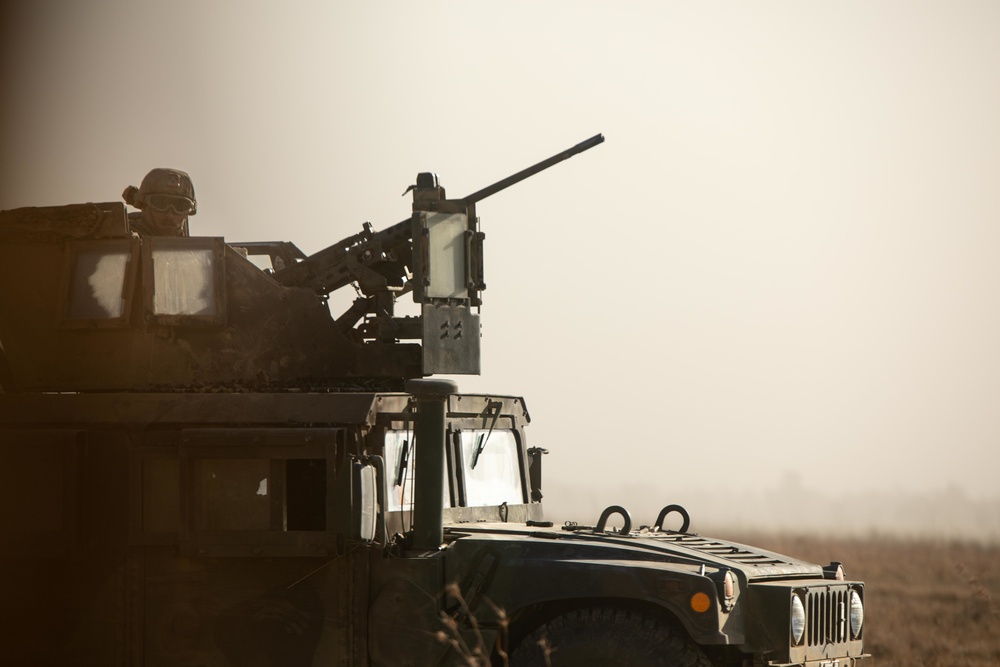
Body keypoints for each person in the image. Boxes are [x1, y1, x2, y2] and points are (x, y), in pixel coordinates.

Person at [122, 168, 196, 236]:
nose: (170, 215)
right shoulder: (123, 240)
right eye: (161, 204)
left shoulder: (190, 245)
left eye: (180, 207)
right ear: (143, 204)